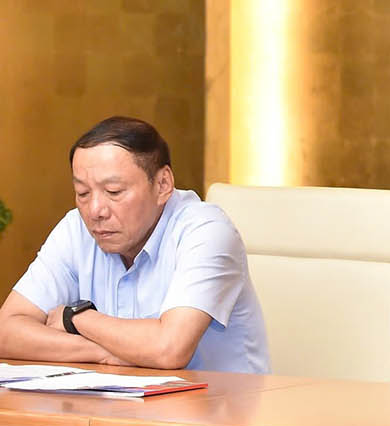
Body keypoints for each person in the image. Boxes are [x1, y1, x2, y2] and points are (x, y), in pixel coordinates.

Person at [0, 117, 269, 373]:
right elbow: (6, 330)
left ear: (163, 184)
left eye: (114, 192)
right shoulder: (76, 228)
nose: (95, 210)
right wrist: (102, 353)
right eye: (82, 193)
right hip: (117, 410)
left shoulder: (206, 230)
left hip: (218, 413)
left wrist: (78, 319)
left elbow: (169, 349)